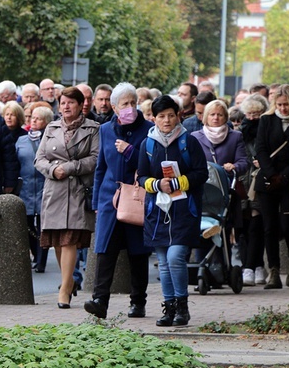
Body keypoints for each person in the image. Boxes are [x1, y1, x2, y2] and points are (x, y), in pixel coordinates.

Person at [137, 95, 208, 327]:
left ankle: (182, 306)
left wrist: (177, 183)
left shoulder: (189, 141)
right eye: (161, 116)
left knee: (176, 257)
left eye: (170, 115)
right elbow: (142, 177)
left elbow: (201, 173)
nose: (166, 120)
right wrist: (157, 185)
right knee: (163, 262)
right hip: (157, 210)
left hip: (184, 209)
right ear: (153, 118)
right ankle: (169, 308)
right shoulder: (147, 144)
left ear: (178, 115)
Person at [84, 83, 153, 320]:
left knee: (138, 251)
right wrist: (96, 201)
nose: (130, 108)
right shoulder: (105, 130)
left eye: (133, 103)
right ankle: (99, 300)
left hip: (135, 197)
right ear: (114, 107)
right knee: (105, 250)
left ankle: (138, 301)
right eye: (125, 104)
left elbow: (149, 163)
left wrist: (130, 151)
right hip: (109, 199)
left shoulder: (148, 129)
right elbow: (101, 167)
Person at [34, 87, 99, 309]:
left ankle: (64, 289)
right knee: (57, 241)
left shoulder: (93, 129)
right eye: (63, 103)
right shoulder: (51, 127)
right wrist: (53, 170)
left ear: (81, 105)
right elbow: (39, 159)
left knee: (70, 239)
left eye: (71, 103)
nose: (66, 107)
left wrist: (70, 167)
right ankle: (69, 281)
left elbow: (95, 159)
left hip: (78, 189)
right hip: (54, 190)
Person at [254, 84, 289, 289]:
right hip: (268, 180)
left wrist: (285, 176)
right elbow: (261, 149)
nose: (283, 109)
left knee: (287, 225)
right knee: (269, 227)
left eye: (286, 105)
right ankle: (274, 271)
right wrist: (271, 174)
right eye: (279, 105)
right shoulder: (266, 121)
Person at [190, 99, 248, 266]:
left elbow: (244, 162)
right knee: (201, 229)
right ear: (206, 117)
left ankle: (223, 269)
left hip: (225, 191)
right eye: (212, 114)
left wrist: (234, 166)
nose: (216, 118)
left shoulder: (235, 137)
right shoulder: (195, 137)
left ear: (226, 117)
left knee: (224, 228)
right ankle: (202, 267)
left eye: (220, 115)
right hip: (201, 190)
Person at [239, 94, 269, 285]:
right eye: (249, 113)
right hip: (243, 183)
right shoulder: (239, 133)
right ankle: (250, 265)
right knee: (243, 228)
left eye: (257, 113)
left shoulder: (267, 132)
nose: (252, 118)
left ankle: (252, 266)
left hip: (259, 184)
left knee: (256, 227)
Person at [17, 106, 51, 273]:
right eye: (32, 118)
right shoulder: (21, 140)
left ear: (46, 121)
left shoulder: (50, 139)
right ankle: (35, 254)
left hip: (45, 186)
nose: (33, 121)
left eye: (38, 118)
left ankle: (41, 260)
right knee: (29, 224)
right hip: (27, 187)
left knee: (43, 226)